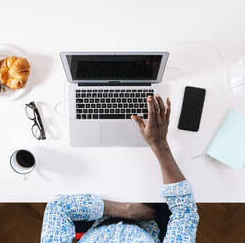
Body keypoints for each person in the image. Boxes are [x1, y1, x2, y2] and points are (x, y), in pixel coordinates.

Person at [41, 95, 199, 243]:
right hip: (150, 221)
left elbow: (58, 208)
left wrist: (126, 210)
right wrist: (159, 144)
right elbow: (184, 212)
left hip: (98, 219)